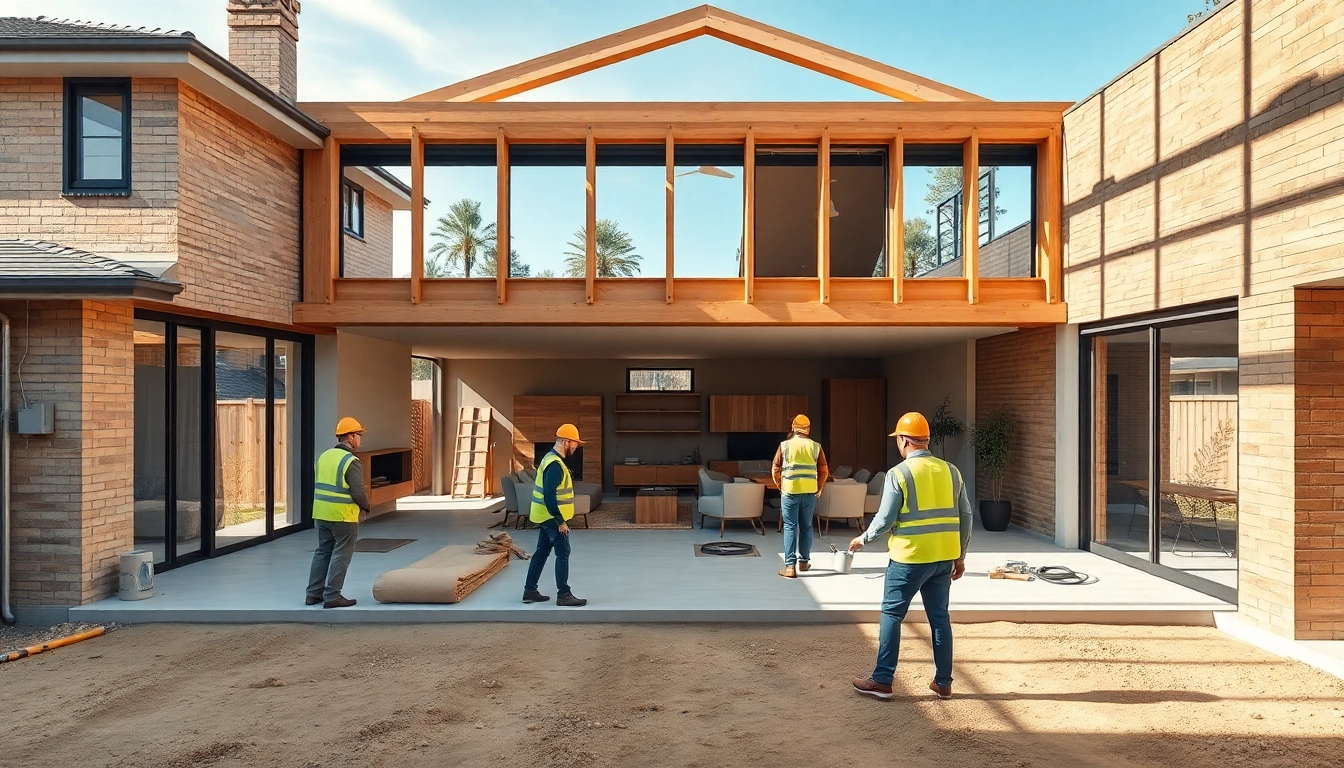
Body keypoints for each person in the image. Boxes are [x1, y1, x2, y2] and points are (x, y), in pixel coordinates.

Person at [848, 411, 972, 700]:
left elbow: (885, 519)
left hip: (909, 559)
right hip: (943, 558)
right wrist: (960, 555)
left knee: (892, 614)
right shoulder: (951, 471)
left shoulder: (899, 473)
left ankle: (882, 680)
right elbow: (965, 515)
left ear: (904, 440)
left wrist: (864, 538)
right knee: (939, 618)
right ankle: (943, 683)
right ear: (926, 440)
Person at [306, 416, 371, 609]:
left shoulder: (324, 456)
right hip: (342, 516)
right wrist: (366, 506)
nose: (360, 439)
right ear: (351, 437)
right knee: (342, 553)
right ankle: (333, 596)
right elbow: (357, 491)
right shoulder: (351, 461)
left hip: (321, 514)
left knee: (322, 552)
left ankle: (313, 594)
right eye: (359, 435)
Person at [522, 423, 588, 607]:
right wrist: (560, 522)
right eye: (575, 442)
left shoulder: (549, 459)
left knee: (541, 552)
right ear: (566, 441)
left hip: (545, 516)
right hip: (553, 518)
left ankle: (530, 591)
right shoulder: (555, 465)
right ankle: (564, 594)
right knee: (563, 553)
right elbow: (549, 495)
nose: (576, 446)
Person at [771, 414, 829, 579]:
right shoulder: (816, 447)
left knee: (790, 526)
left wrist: (781, 486)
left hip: (790, 492)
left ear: (793, 428)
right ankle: (803, 562)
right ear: (808, 429)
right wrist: (819, 488)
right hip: (810, 493)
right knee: (806, 526)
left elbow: (775, 469)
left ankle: (790, 567)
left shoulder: (784, 446)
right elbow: (824, 470)